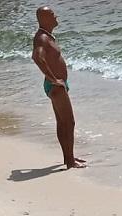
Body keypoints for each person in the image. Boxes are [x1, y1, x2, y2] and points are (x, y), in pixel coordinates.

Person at [32, 5, 86, 169]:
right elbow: (37, 57)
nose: (56, 16)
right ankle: (70, 162)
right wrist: (53, 79)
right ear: (44, 18)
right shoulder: (42, 38)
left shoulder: (47, 36)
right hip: (56, 86)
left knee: (62, 123)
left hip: (57, 84)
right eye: (52, 14)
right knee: (69, 122)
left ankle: (68, 157)